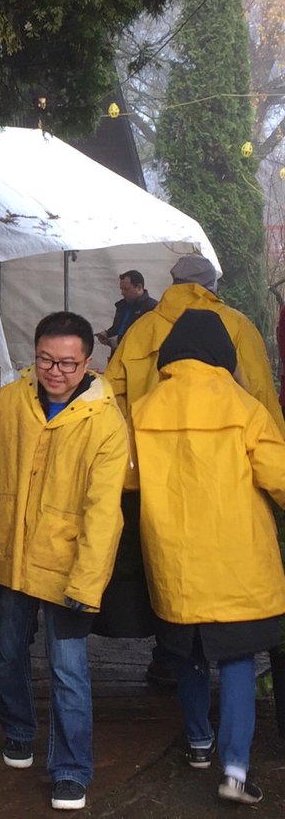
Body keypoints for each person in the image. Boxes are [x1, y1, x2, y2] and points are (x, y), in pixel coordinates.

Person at [0, 311, 128, 811]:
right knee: (8, 655)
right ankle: (17, 729)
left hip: (68, 567)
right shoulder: (8, 402)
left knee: (69, 669)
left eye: (68, 364)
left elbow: (103, 513)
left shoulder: (105, 423)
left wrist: (88, 583)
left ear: (87, 362)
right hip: (8, 556)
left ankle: (71, 770)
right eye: (46, 360)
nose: (56, 371)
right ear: (33, 355)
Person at [100, 254, 285, 679]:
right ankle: (229, 689)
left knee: (170, 574)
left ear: (172, 280)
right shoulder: (236, 325)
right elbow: (259, 391)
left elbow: (113, 393)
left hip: (156, 473)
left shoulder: (143, 327)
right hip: (230, 474)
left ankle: (170, 658)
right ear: (212, 285)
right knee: (228, 566)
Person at [132, 310, 285, 806]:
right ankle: (235, 770)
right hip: (236, 564)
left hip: (174, 564)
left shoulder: (142, 409)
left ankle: (199, 742)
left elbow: (126, 479)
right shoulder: (245, 408)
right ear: (224, 354)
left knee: (189, 656)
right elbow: (280, 476)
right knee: (239, 659)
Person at [95, 269, 157, 351]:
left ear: (139, 287)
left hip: (136, 357)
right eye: (121, 289)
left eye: (126, 289)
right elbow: (117, 328)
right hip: (117, 354)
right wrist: (107, 334)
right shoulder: (122, 306)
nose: (122, 293)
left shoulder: (152, 307)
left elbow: (147, 337)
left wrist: (119, 340)